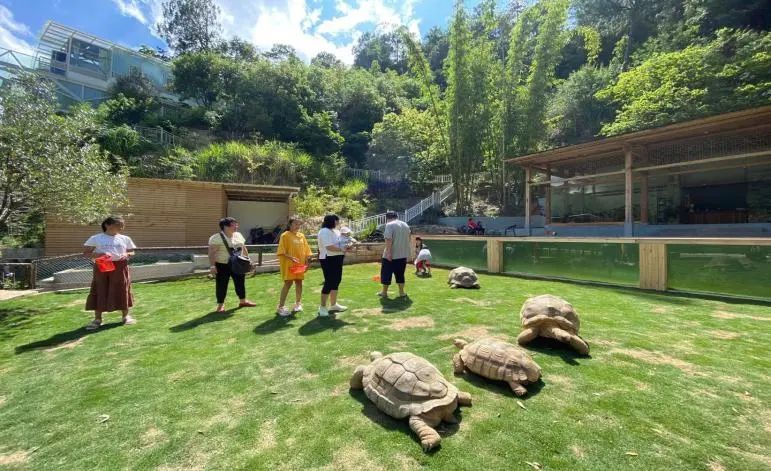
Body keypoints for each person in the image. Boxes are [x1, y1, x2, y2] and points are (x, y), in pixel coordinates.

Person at [83, 216, 137, 330]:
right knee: (100, 288)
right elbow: (86, 253)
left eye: (122, 225)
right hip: (102, 265)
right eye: (119, 225)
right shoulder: (96, 238)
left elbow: (132, 251)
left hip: (120, 266)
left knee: (122, 289)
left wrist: (127, 255)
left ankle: (125, 316)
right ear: (107, 225)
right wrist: (99, 255)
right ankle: (97, 319)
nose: (121, 227)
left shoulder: (125, 238)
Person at [208, 217, 256, 313]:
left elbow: (244, 248)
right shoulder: (216, 238)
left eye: (236, 224)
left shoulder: (238, 235)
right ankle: (220, 305)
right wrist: (212, 266)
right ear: (225, 226)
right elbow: (211, 253)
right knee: (222, 285)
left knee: (240, 283)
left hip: (238, 264)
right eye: (233, 224)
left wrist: (248, 260)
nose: (236, 226)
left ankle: (243, 301)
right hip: (222, 265)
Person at [276, 217, 313, 317]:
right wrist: (291, 258)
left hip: (299, 264)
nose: (298, 226)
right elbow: (281, 251)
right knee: (288, 283)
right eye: (295, 224)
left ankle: (298, 304)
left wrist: (307, 262)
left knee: (299, 282)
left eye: (299, 224)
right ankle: (280, 307)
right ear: (290, 225)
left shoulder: (301, 236)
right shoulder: (285, 235)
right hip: (289, 264)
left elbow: (307, 251)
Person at [317, 214, 349, 317]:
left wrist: (348, 246)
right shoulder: (324, 231)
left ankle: (334, 304)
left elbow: (340, 243)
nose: (338, 223)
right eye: (337, 221)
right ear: (332, 221)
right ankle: (322, 307)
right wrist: (342, 249)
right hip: (328, 259)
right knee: (329, 282)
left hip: (337, 258)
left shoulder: (336, 231)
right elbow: (329, 247)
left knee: (336, 280)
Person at [378, 211, 411, 298]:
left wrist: (388, 253)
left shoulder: (389, 225)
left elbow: (388, 239)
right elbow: (409, 239)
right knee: (400, 274)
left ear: (387, 218)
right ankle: (401, 292)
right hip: (402, 255)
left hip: (391, 255)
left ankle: (384, 292)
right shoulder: (405, 225)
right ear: (397, 216)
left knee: (386, 274)